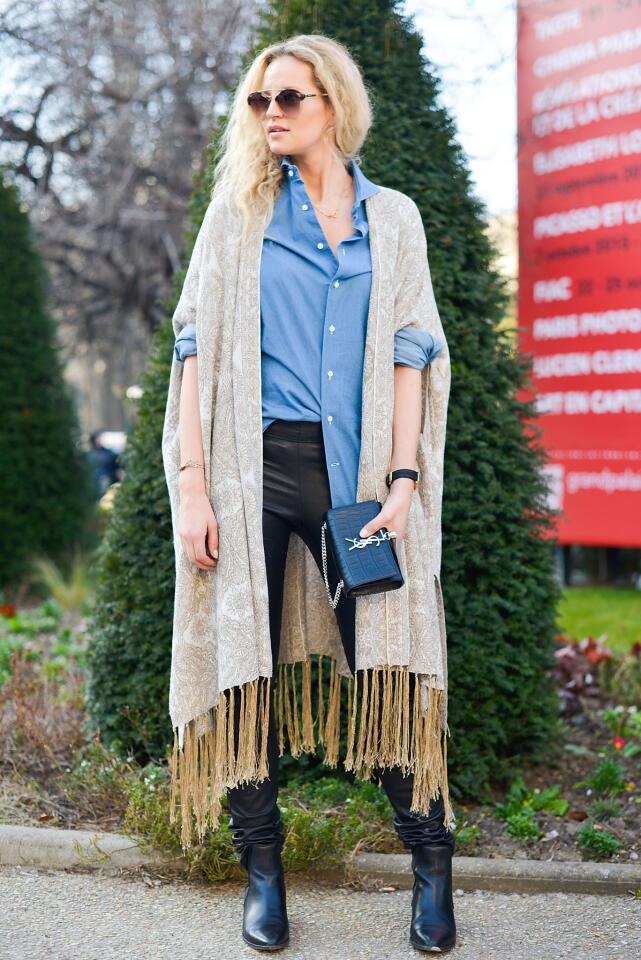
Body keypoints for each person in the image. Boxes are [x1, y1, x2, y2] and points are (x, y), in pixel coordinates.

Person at [163, 34, 455, 955]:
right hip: (254, 476)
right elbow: (194, 353)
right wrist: (195, 488)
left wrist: (402, 481)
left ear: (333, 103)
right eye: (259, 102)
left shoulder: (393, 219)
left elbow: (413, 353)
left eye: (287, 97)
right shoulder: (237, 215)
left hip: (357, 481)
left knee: (390, 670)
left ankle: (431, 867)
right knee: (244, 673)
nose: (271, 114)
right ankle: (263, 874)